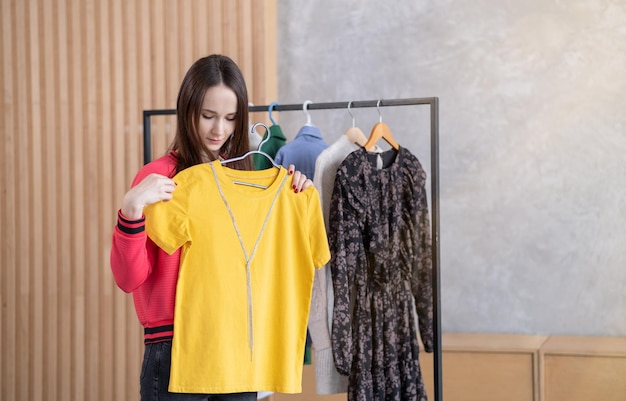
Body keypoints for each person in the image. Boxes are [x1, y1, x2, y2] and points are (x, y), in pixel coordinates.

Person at [110, 54, 312, 401]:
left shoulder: (250, 181)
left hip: (238, 347)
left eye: (231, 118)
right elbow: (129, 279)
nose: (219, 130)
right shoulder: (161, 178)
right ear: (186, 110)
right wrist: (131, 208)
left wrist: (296, 196)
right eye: (208, 116)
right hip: (175, 346)